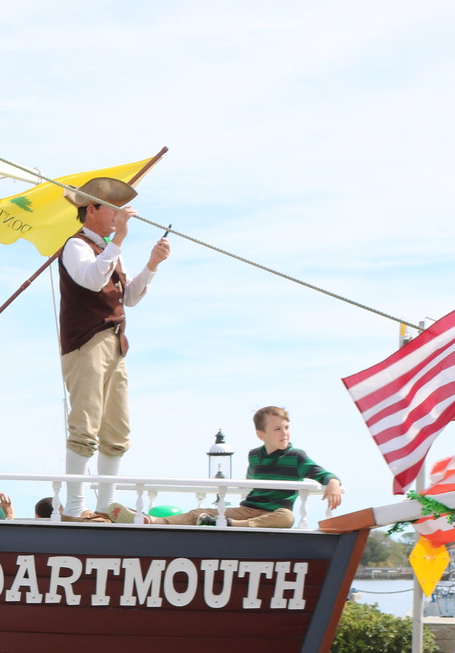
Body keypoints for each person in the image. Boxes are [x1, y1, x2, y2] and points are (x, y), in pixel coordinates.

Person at [56, 177, 171, 522]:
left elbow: (129, 298)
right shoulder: (76, 247)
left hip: (114, 344)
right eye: (114, 209)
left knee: (116, 429)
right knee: (85, 424)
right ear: (92, 210)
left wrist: (151, 265)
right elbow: (91, 280)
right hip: (87, 343)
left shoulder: (108, 251)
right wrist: (118, 240)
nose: (121, 216)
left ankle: (104, 506)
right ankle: (76, 508)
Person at [109, 406, 343, 527]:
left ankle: (231, 524)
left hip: (273, 514)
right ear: (261, 434)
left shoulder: (296, 456)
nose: (284, 433)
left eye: (287, 427)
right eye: (277, 429)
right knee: (199, 513)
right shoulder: (255, 455)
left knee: (287, 517)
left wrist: (332, 483)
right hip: (249, 509)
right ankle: (152, 520)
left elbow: (321, 473)